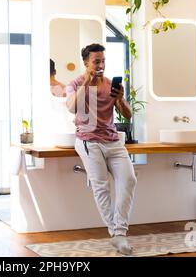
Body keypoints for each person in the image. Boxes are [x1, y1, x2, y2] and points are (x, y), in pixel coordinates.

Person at [66, 43, 137, 255]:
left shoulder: (109, 84)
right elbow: (72, 107)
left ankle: (118, 233)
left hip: (113, 142)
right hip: (89, 142)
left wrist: (119, 99)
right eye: (97, 61)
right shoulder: (76, 83)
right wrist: (88, 80)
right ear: (86, 62)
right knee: (101, 186)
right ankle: (118, 234)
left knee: (129, 180)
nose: (101, 65)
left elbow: (128, 114)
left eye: (103, 61)